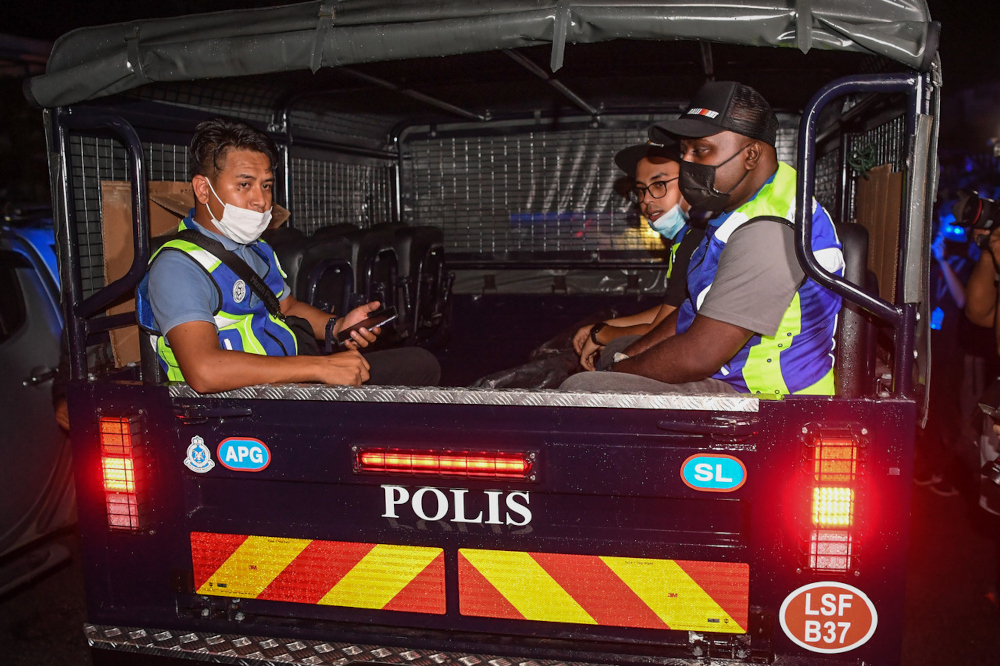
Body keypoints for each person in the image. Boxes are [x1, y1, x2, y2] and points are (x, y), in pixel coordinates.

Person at [561, 81, 843, 395]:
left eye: (701, 150)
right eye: (685, 152)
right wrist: (630, 355)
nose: (688, 164)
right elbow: (693, 310)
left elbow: (699, 355)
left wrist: (619, 371)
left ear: (750, 155)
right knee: (616, 356)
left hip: (767, 398)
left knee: (582, 389)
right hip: (731, 375)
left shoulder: (769, 228)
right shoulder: (734, 210)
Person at [138, 117, 439, 393]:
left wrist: (337, 326)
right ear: (203, 190)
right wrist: (320, 367)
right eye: (244, 184)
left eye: (266, 185)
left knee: (421, 364)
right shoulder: (179, 267)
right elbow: (203, 371)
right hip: (239, 403)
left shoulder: (256, 248)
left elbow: (287, 306)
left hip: (287, 384)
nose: (261, 200)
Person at [572, 140, 705, 371]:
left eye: (659, 184)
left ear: (691, 182)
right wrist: (604, 326)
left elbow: (663, 328)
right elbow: (673, 308)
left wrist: (601, 334)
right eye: (641, 190)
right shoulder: (684, 239)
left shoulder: (697, 238)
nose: (646, 199)